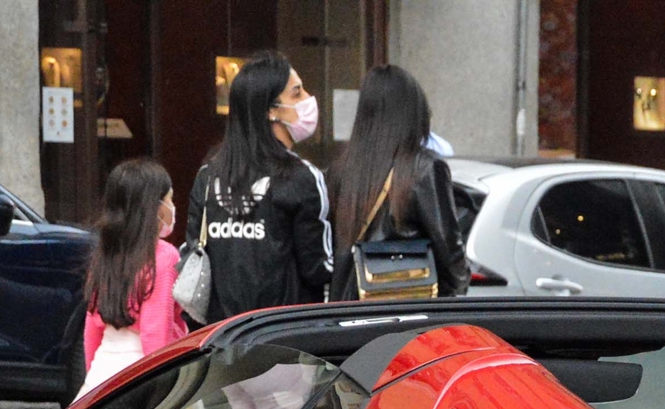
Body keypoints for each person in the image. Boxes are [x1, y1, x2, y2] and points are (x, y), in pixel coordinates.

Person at [184, 52, 333, 320]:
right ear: (271, 110)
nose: (308, 99)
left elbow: (193, 252)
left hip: (219, 341)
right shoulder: (302, 178)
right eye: (296, 93)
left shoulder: (208, 176)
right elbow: (319, 268)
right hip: (284, 340)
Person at [327, 64, 468, 301]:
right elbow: (449, 248)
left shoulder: (340, 169)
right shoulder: (424, 167)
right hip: (406, 305)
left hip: (348, 307)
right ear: (414, 112)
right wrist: (455, 298)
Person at [80, 158, 184, 395]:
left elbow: (91, 330)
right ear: (154, 207)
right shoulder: (165, 257)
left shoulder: (105, 254)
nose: (172, 205)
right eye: (169, 199)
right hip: (143, 372)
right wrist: (161, 390)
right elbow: (155, 332)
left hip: (101, 372)